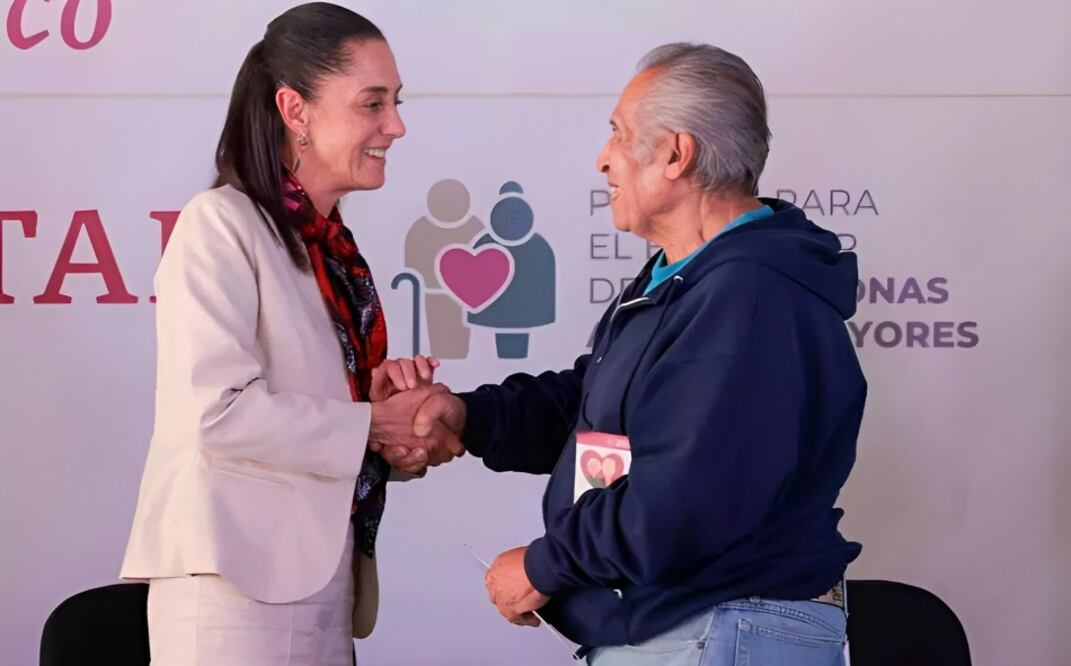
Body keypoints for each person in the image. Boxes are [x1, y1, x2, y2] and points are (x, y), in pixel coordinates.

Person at [401, 43, 867, 665]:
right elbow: (599, 411)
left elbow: (683, 499)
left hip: (720, 629)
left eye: (619, 135)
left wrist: (545, 566)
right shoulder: (690, 279)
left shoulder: (750, 296)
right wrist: (468, 415)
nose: (603, 159)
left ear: (677, 154)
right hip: (688, 629)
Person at [119, 4, 459, 664]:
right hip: (232, 590)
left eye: (395, 102)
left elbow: (327, 422)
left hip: (320, 588)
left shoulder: (332, 250)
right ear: (294, 110)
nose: (396, 125)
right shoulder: (219, 223)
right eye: (372, 103)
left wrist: (394, 425)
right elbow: (215, 413)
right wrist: (370, 423)